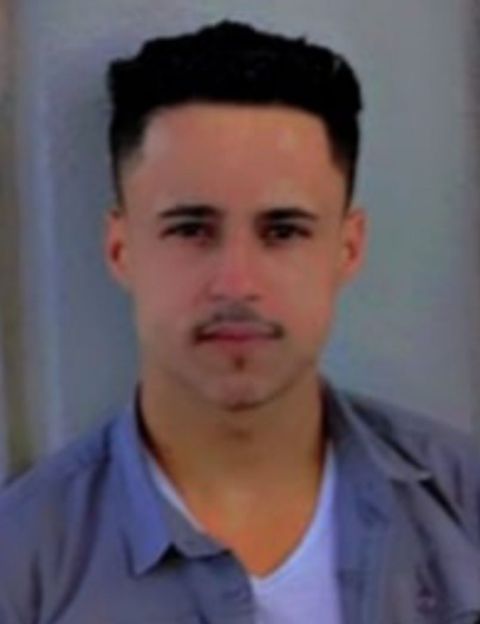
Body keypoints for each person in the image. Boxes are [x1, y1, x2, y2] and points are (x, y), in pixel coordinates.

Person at [1, 19, 479, 624]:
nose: (235, 283)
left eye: (283, 231)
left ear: (347, 247)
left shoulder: (464, 510)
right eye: (190, 230)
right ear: (121, 248)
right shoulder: (21, 566)